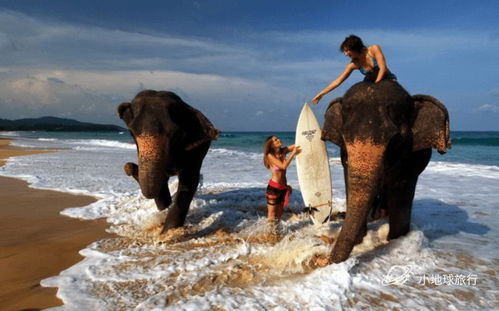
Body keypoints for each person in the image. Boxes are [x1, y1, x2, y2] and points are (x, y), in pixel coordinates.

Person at [312, 34, 397, 104]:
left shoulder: (374, 49)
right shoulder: (353, 64)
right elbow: (338, 81)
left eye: (347, 51)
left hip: (387, 79)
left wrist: (376, 86)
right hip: (369, 84)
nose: (345, 54)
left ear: (354, 48)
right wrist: (321, 94)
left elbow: (383, 68)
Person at [263, 136, 301, 230]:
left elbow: (298, 145)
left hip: (283, 188)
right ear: (272, 145)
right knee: (272, 215)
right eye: (276, 140)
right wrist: (293, 153)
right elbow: (283, 166)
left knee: (279, 215)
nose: (279, 140)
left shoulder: (283, 151)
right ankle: (268, 233)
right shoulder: (270, 156)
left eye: (278, 138)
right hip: (274, 188)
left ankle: (276, 233)